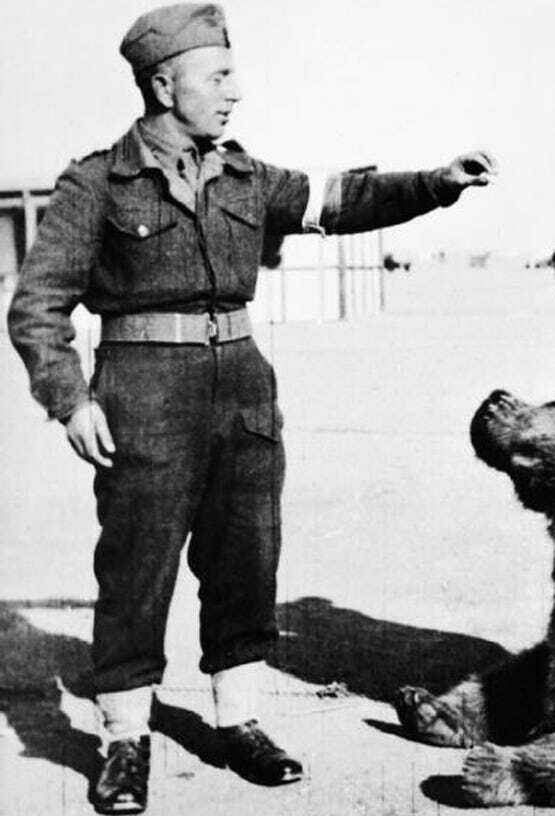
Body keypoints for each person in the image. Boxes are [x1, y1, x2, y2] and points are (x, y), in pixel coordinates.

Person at [7, 4, 498, 814]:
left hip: (243, 393)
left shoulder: (246, 175)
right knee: (137, 570)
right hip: (142, 393)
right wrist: (69, 400)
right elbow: (37, 307)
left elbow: (341, 200)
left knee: (246, 562)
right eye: (220, 77)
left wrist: (435, 185)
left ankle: (239, 720)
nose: (238, 92)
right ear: (165, 84)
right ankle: (124, 741)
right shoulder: (95, 183)